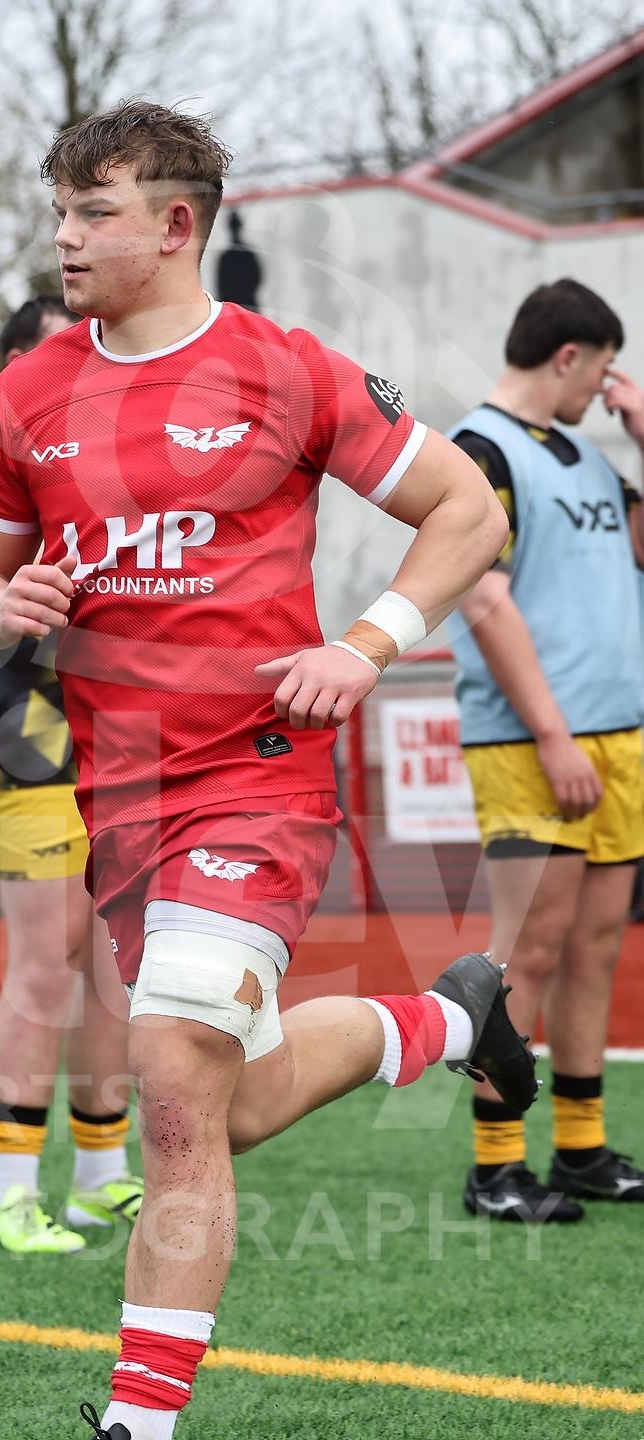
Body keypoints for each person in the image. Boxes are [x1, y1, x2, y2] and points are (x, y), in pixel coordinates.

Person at [0, 100, 532, 1440]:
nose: (65, 236)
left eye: (94, 212)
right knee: (223, 1098)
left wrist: (368, 643)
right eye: (60, 210)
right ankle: (446, 1021)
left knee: (167, 1077)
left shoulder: (286, 370)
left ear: (175, 224)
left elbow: (465, 507)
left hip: (258, 780)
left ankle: (138, 1424)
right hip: (119, 804)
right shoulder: (27, 394)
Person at [0, 296, 143, 1255]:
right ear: (16, 363)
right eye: (61, 351)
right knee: (46, 962)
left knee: (111, 963)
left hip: (122, 743)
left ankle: (100, 1176)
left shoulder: (102, 454)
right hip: (33, 741)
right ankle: (11, 1196)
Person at [449, 279, 644, 1223]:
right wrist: (555, 735)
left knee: (596, 947)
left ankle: (581, 1149)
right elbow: (484, 598)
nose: (606, 388)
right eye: (603, 370)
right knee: (526, 950)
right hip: (532, 743)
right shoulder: (478, 449)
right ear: (569, 356)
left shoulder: (592, 457)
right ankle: (495, 1166)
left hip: (619, 737)